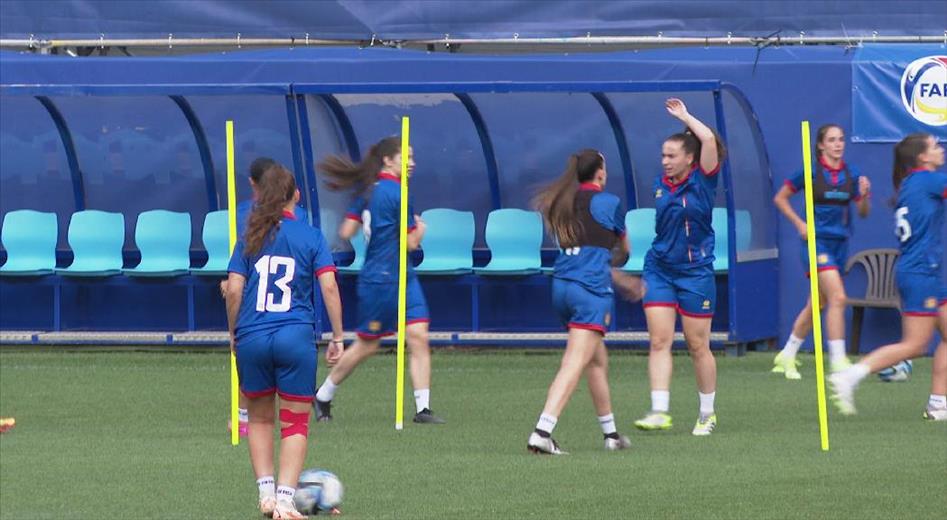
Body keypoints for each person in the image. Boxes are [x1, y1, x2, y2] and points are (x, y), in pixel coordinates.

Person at [225, 163, 345, 519]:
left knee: (259, 420)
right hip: (295, 337)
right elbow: (329, 286)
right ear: (296, 195)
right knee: (295, 423)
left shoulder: (249, 235)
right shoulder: (311, 236)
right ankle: (286, 500)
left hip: (253, 337)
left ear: (259, 195)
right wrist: (338, 336)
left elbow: (233, 288)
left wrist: (234, 332)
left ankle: (265, 495)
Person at [314, 137, 445, 424]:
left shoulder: (370, 192)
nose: (412, 163)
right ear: (388, 159)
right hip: (381, 279)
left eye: (412, 157)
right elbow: (411, 243)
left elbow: (346, 231)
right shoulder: (396, 193)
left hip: (404, 277)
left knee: (418, 336)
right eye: (406, 157)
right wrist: (420, 228)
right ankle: (323, 394)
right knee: (367, 345)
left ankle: (423, 408)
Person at [525, 149, 636, 455]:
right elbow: (623, 249)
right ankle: (542, 431)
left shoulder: (561, 201)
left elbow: (585, 252)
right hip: (590, 293)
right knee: (574, 362)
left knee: (596, 360)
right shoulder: (609, 203)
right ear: (600, 173)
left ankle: (611, 435)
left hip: (561, 288)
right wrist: (619, 268)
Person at [830, 133, 947, 421]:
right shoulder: (928, 180)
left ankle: (938, 403)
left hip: (924, 271)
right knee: (916, 345)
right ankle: (850, 376)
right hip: (921, 273)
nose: (940, 149)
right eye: (934, 146)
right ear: (921, 157)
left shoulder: (911, 183)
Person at [634, 98, 726, 436]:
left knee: (697, 345)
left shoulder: (704, 181)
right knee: (659, 341)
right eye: (663, 156)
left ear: (691, 158)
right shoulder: (661, 184)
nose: (666, 161)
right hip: (659, 268)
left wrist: (686, 117)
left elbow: (710, 141)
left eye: (672, 156)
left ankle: (707, 414)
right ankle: (659, 410)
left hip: (696, 272)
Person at [771, 124, 871, 379]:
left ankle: (787, 354)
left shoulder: (852, 173)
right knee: (838, 297)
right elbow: (780, 198)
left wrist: (865, 195)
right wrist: (800, 223)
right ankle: (838, 360)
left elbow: (863, 212)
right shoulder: (810, 171)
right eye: (832, 140)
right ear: (821, 145)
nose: (838, 144)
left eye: (841, 139)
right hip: (816, 245)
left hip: (840, 245)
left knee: (818, 303)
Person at [226, 157, 309, 438]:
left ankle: (244, 417)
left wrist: (231, 283)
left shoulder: (249, 213)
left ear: (254, 184)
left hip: (253, 295)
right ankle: (247, 417)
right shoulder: (297, 219)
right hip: (285, 307)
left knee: (248, 347)